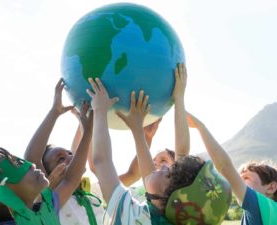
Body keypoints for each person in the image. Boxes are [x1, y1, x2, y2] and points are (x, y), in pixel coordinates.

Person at [88, 63, 231, 225]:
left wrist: (99, 110)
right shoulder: (159, 216)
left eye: (168, 173)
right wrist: (138, 132)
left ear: (170, 201)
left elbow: (102, 161)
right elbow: (161, 171)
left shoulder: (131, 217)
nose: (163, 167)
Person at [0, 80, 93, 225]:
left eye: (18, 161)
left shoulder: (45, 211)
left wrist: (85, 127)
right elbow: (36, 158)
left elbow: (71, 180)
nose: (29, 165)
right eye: (14, 166)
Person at [186, 112, 277, 225]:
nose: (237, 182)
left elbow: (224, 166)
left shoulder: (260, 206)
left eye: (246, 177)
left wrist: (200, 127)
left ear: (271, 188)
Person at [24, 79, 105, 225]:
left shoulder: (93, 198)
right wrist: (54, 112)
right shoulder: (50, 200)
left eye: (70, 153)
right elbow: (32, 158)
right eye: (60, 159)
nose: (70, 157)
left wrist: (87, 130)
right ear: (45, 175)